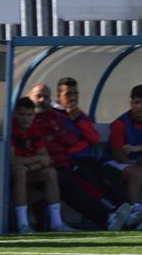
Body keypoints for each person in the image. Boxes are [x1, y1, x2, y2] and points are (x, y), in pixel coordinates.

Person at [28, 83, 130, 231]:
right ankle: (108, 216)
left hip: (66, 162)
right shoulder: (28, 118)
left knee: (109, 175)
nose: (42, 100)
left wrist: (76, 120)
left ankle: (127, 212)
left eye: (45, 97)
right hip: (49, 165)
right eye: (38, 96)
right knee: (76, 183)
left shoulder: (57, 116)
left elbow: (82, 138)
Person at [9, 97, 75, 233]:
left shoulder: (33, 128)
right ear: (15, 114)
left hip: (28, 169)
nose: (26, 119)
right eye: (22, 114)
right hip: (6, 174)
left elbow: (46, 159)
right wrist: (36, 159)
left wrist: (31, 166)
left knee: (50, 173)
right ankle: (23, 225)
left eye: (29, 115)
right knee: (20, 171)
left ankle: (57, 223)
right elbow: (12, 160)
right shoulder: (10, 128)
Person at [105, 84, 142, 228]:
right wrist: (137, 167)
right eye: (136, 102)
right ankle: (134, 211)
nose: (139, 107)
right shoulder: (120, 123)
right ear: (131, 103)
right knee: (135, 173)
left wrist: (137, 148)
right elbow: (117, 154)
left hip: (135, 160)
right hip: (112, 162)